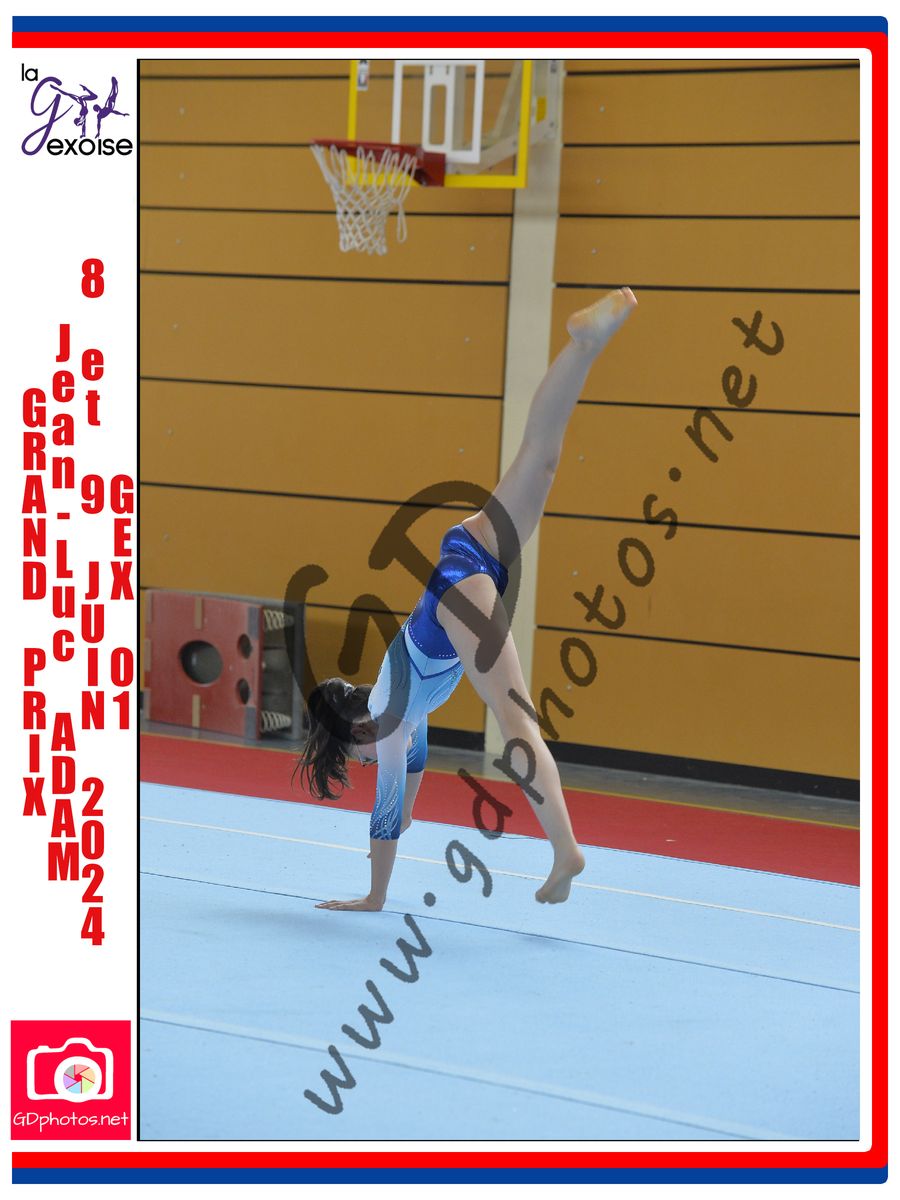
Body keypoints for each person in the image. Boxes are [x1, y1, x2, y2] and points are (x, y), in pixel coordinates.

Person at [296, 288, 638, 911]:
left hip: (459, 587)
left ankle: (566, 849)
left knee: (516, 721)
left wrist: (374, 898)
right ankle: (583, 347)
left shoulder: (388, 715)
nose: (372, 764)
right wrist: (403, 817)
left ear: (357, 732)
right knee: (541, 459)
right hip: (469, 552)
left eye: (360, 759)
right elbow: (410, 783)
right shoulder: (404, 715)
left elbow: (385, 812)